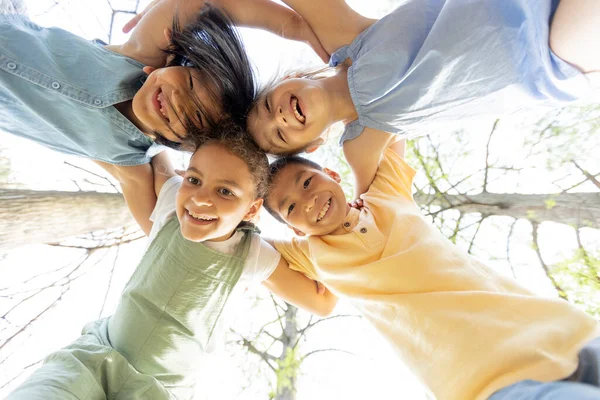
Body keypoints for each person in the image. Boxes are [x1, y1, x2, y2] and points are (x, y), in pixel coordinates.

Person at [8, 124, 337, 400]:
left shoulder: (252, 253)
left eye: (225, 192)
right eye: (194, 180)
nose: (201, 198)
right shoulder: (170, 202)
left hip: (159, 389)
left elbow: (322, 302)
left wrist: (344, 228)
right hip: (92, 357)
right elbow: (150, 146)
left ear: (251, 210)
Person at [263, 136, 600, 400]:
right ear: (294, 229)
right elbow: (236, 243)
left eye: (307, 182)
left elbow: (385, 110)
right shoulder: (313, 254)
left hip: (566, 334)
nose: (307, 201)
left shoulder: (386, 194)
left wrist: (320, 122)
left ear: (332, 174)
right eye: (290, 207)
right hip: (489, 382)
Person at [0, 0, 326, 234]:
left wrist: (233, 223)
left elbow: (160, 230)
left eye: (193, 114)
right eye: (188, 82)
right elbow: (205, 5)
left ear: (188, 145)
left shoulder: (131, 160)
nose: (174, 98)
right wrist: (299, 29)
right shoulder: (137, 57)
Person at [246, 0, 600, 196]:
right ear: (313, 145)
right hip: (551, 60)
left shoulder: (346, 38)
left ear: (287, 80)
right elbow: (381, 204)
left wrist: (194, 16)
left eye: (266, 106)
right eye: (280, 134)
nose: (279, 116)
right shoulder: (364, 140)